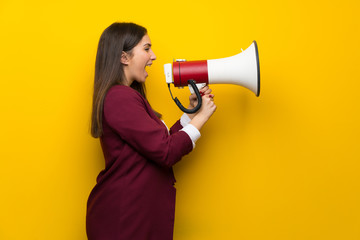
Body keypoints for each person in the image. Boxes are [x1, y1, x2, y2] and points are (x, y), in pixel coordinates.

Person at [86, 22, 216, 240]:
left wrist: (191, 116)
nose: (153, 56)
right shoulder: (120, 97)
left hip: (131, 216)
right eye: (146, 48)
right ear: (124, 57)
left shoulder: (124, 96)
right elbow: (166, 153)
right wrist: (202, 118)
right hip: (124, 220)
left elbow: (158, 144)